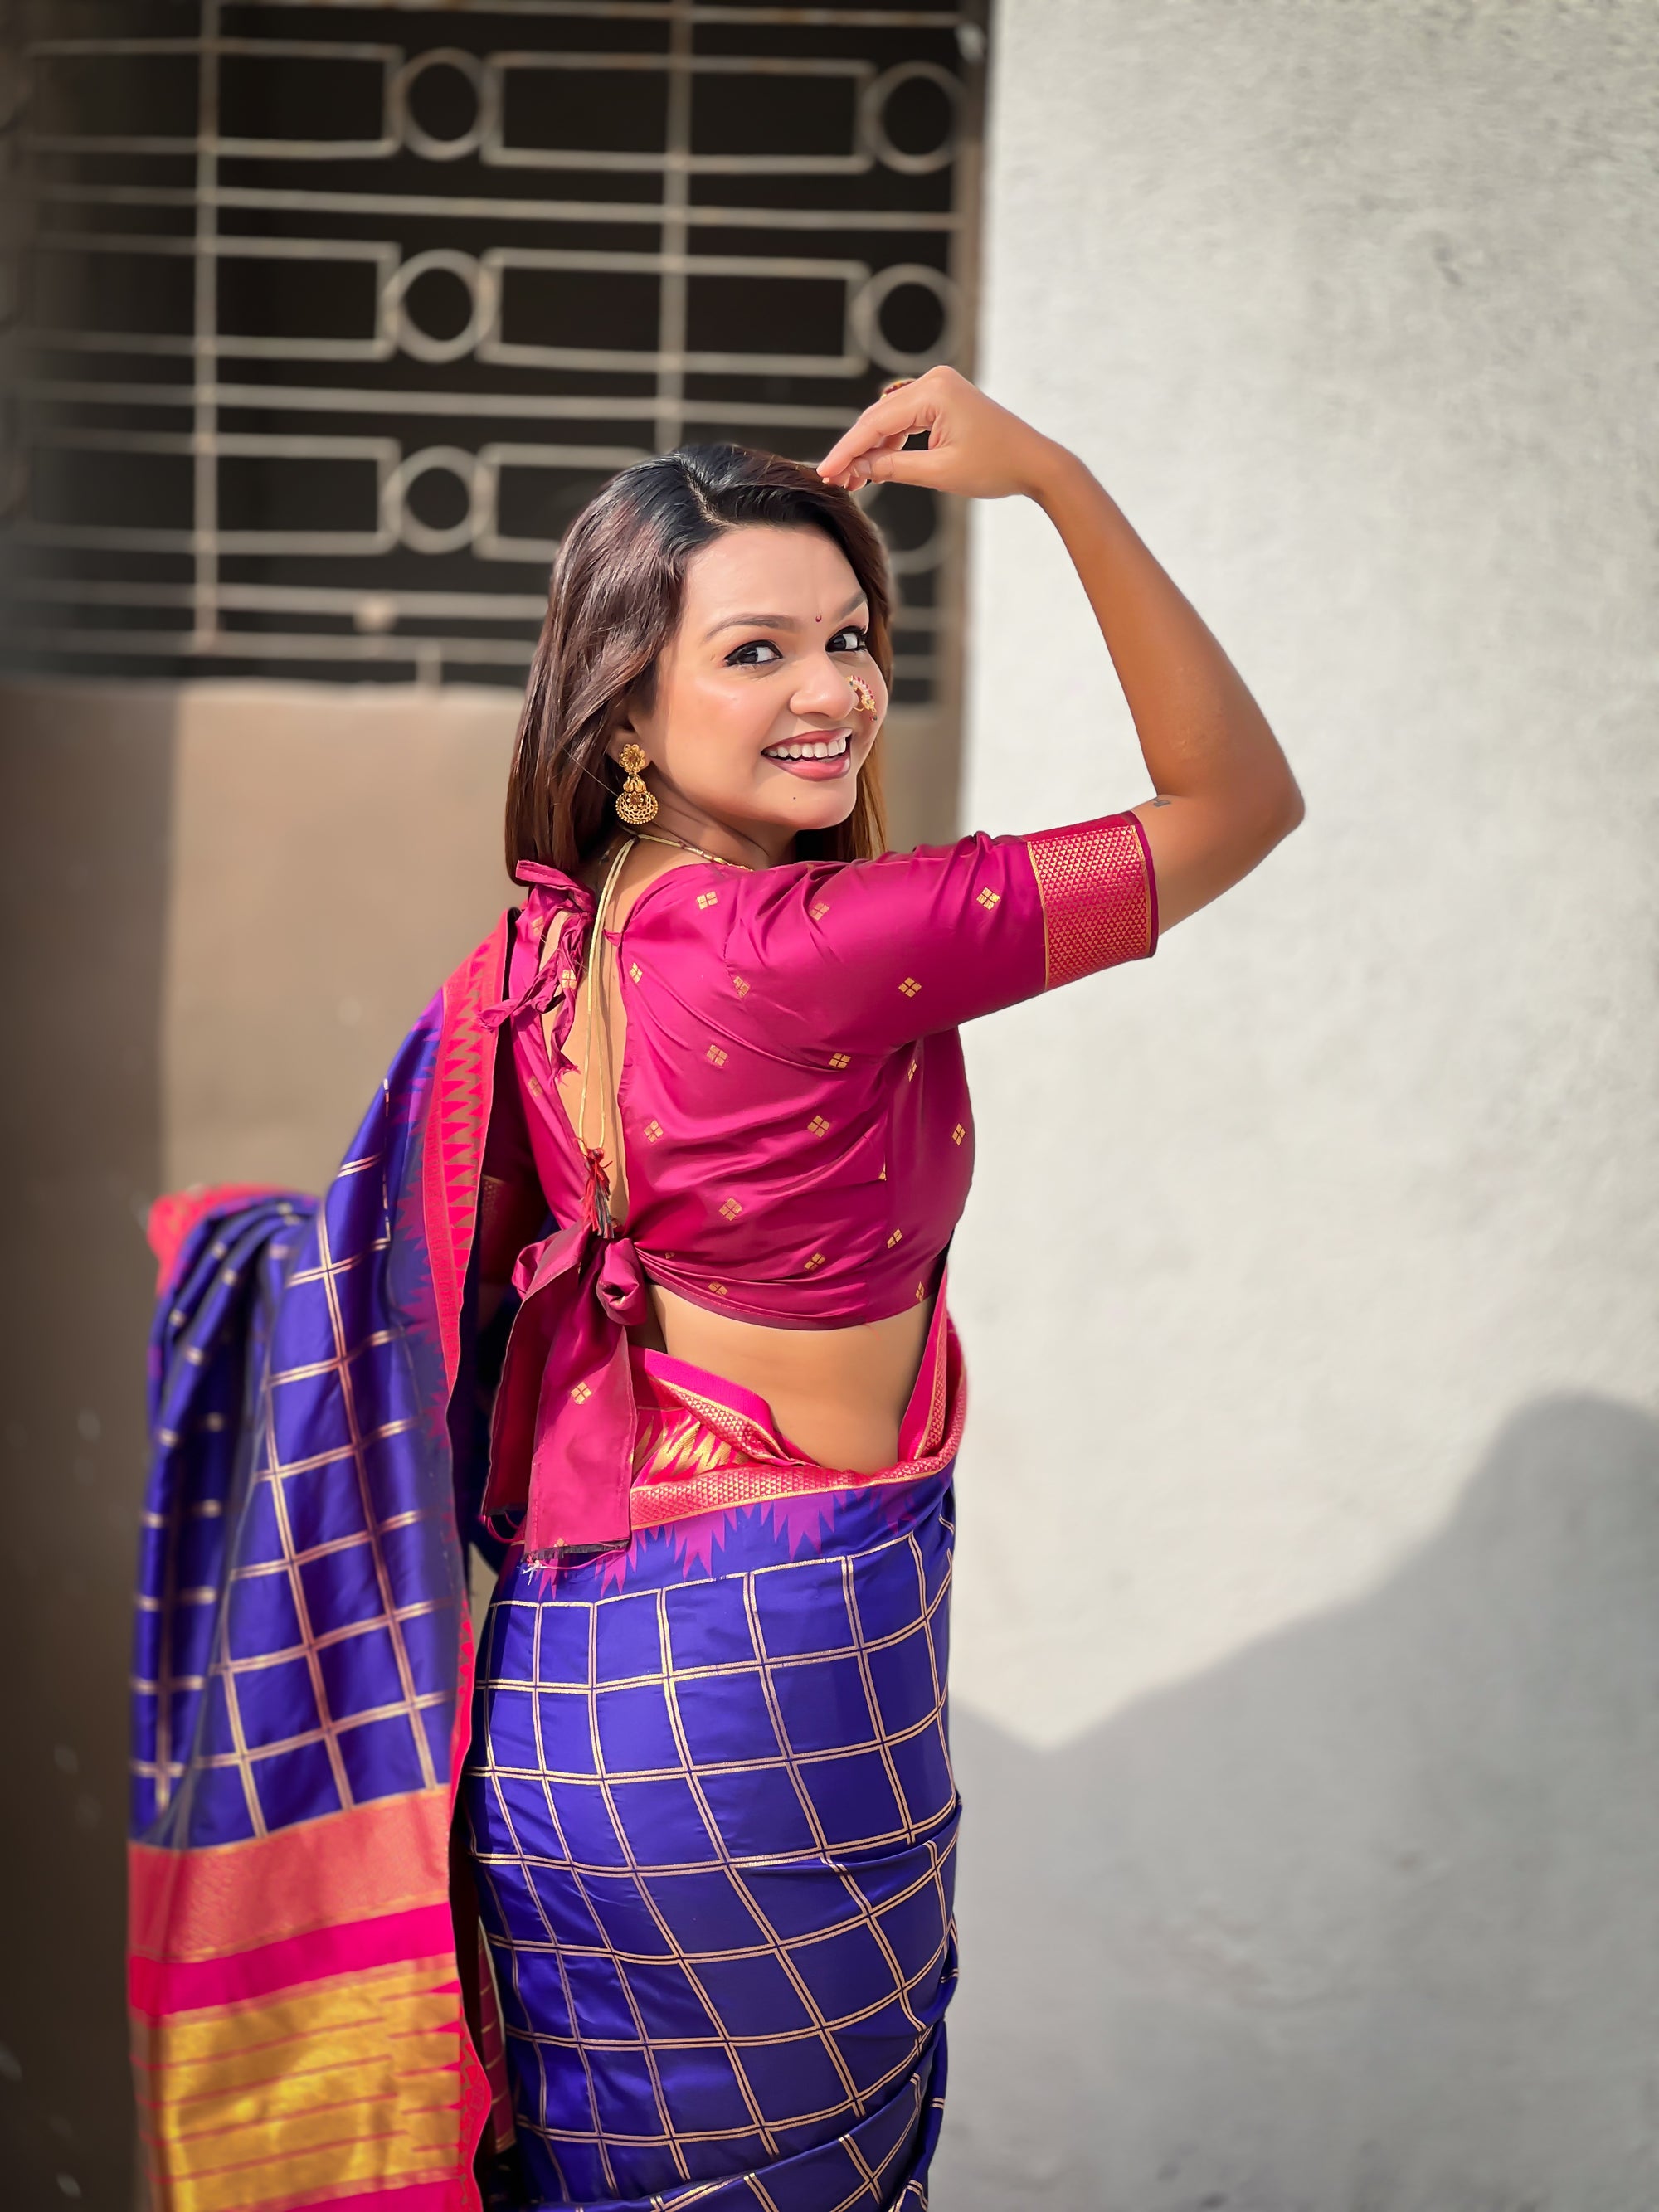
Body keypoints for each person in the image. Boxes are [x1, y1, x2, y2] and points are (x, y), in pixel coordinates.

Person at [129, 368, 1298, 2212]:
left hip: (580, 1689)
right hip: (757, 1717)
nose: (831, 690)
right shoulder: (821, 946)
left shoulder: (552, 945)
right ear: (624, 712)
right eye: (755, 652)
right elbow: (1239, 803)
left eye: (849, 637)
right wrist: (1061, 482)